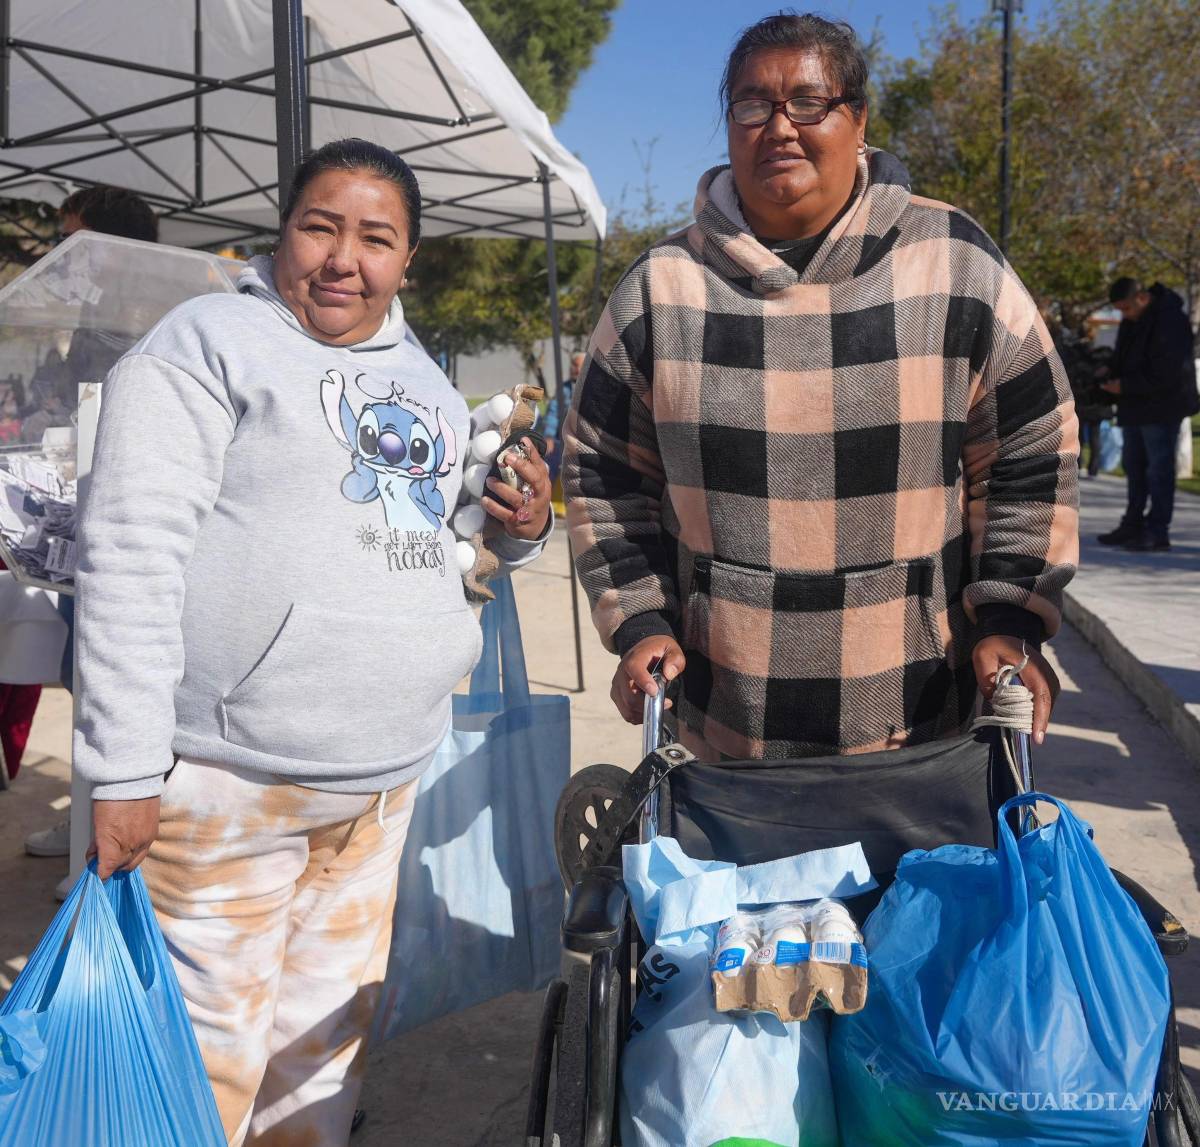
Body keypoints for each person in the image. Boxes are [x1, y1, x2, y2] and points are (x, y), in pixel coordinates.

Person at [72, 138, 552, 1146]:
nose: (343, 259)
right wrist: (122, 769)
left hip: (378, 788)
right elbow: (130, 553)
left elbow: (435, 548)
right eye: (319, 227)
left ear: (408, 260)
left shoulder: (424, 382)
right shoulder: (204, 343)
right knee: (202, 1068)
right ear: (281, 232)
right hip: (228, 784)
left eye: (375, 238)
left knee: (320, 1060)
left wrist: (517, 529)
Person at [564, 13, 1077, 765]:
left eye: (809, 102)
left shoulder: (956, 265)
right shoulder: (660, 290)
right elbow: (603, 473)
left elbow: (1030, 450)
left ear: (858, 119)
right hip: (723, 731)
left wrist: (1011, 616)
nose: (779, 127)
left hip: (921, 724)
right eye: (752, 105)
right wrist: (640, 622)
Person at [23, 185, 160, 857]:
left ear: (108, 245)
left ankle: (106, 832)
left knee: (113, 678)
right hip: (81, 514)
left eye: (72, 238)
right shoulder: (94, 312)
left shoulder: (151, 316)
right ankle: (86, 817)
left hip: (131, 524)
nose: (61, 254)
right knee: (80, 671)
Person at [1097, 277, 1199, 552]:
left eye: (1126, 308)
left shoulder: (1170, 320)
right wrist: (1109, 371)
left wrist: (1125, 386)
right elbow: (1123, 355)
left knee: (1159, 471)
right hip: (1135, 407)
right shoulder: (1133, 320)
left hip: (1163, 407)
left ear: (1141, 298)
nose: (1124, 314)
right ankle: (1132, 524)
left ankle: (1157, 531)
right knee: (1134, 468)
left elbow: (1169, 372)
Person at [542, 350, 585, 475]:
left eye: (581, 366)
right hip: (562, 439)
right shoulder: (564, 389)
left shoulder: (593, 387)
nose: (577, 369)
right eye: (574, 365)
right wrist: (549, 436)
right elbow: (553, 413)